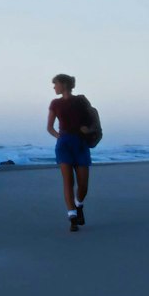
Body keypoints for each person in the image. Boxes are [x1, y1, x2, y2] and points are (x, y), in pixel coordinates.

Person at [46, 73, 92, 231]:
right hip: (64, 144)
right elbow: (49, 127)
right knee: (68, 181)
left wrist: (88, 129)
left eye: (56, 84)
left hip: (80, 143)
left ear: (64, 84)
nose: (54, 87)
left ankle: (79, 205)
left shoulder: (80, 101)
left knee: (83, 185)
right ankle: (72, 216)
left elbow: (93, 121)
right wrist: (59, 137)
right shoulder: (55, 103)